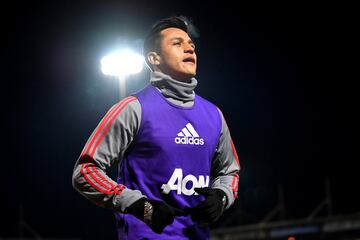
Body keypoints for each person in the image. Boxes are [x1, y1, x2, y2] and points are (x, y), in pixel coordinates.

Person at [72, 15, 240, 240]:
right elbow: (85, 171)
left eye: (191, 44)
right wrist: (140, 206)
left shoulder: (214, 115)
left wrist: (221, 196)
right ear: (154, 58)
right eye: (177, 43)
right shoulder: (133, 108)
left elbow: (230, 172)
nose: (189, 49)